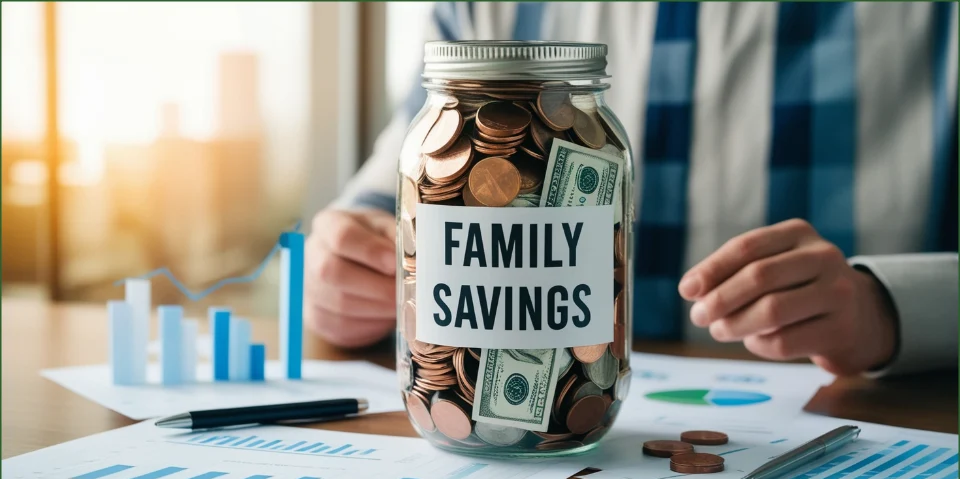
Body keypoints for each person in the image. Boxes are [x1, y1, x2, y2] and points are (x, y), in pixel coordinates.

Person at [304, 2, 958, 377]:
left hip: (840, 418)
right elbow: (391, 192)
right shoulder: (478, 12)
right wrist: (344, 263)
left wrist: (889, 306)